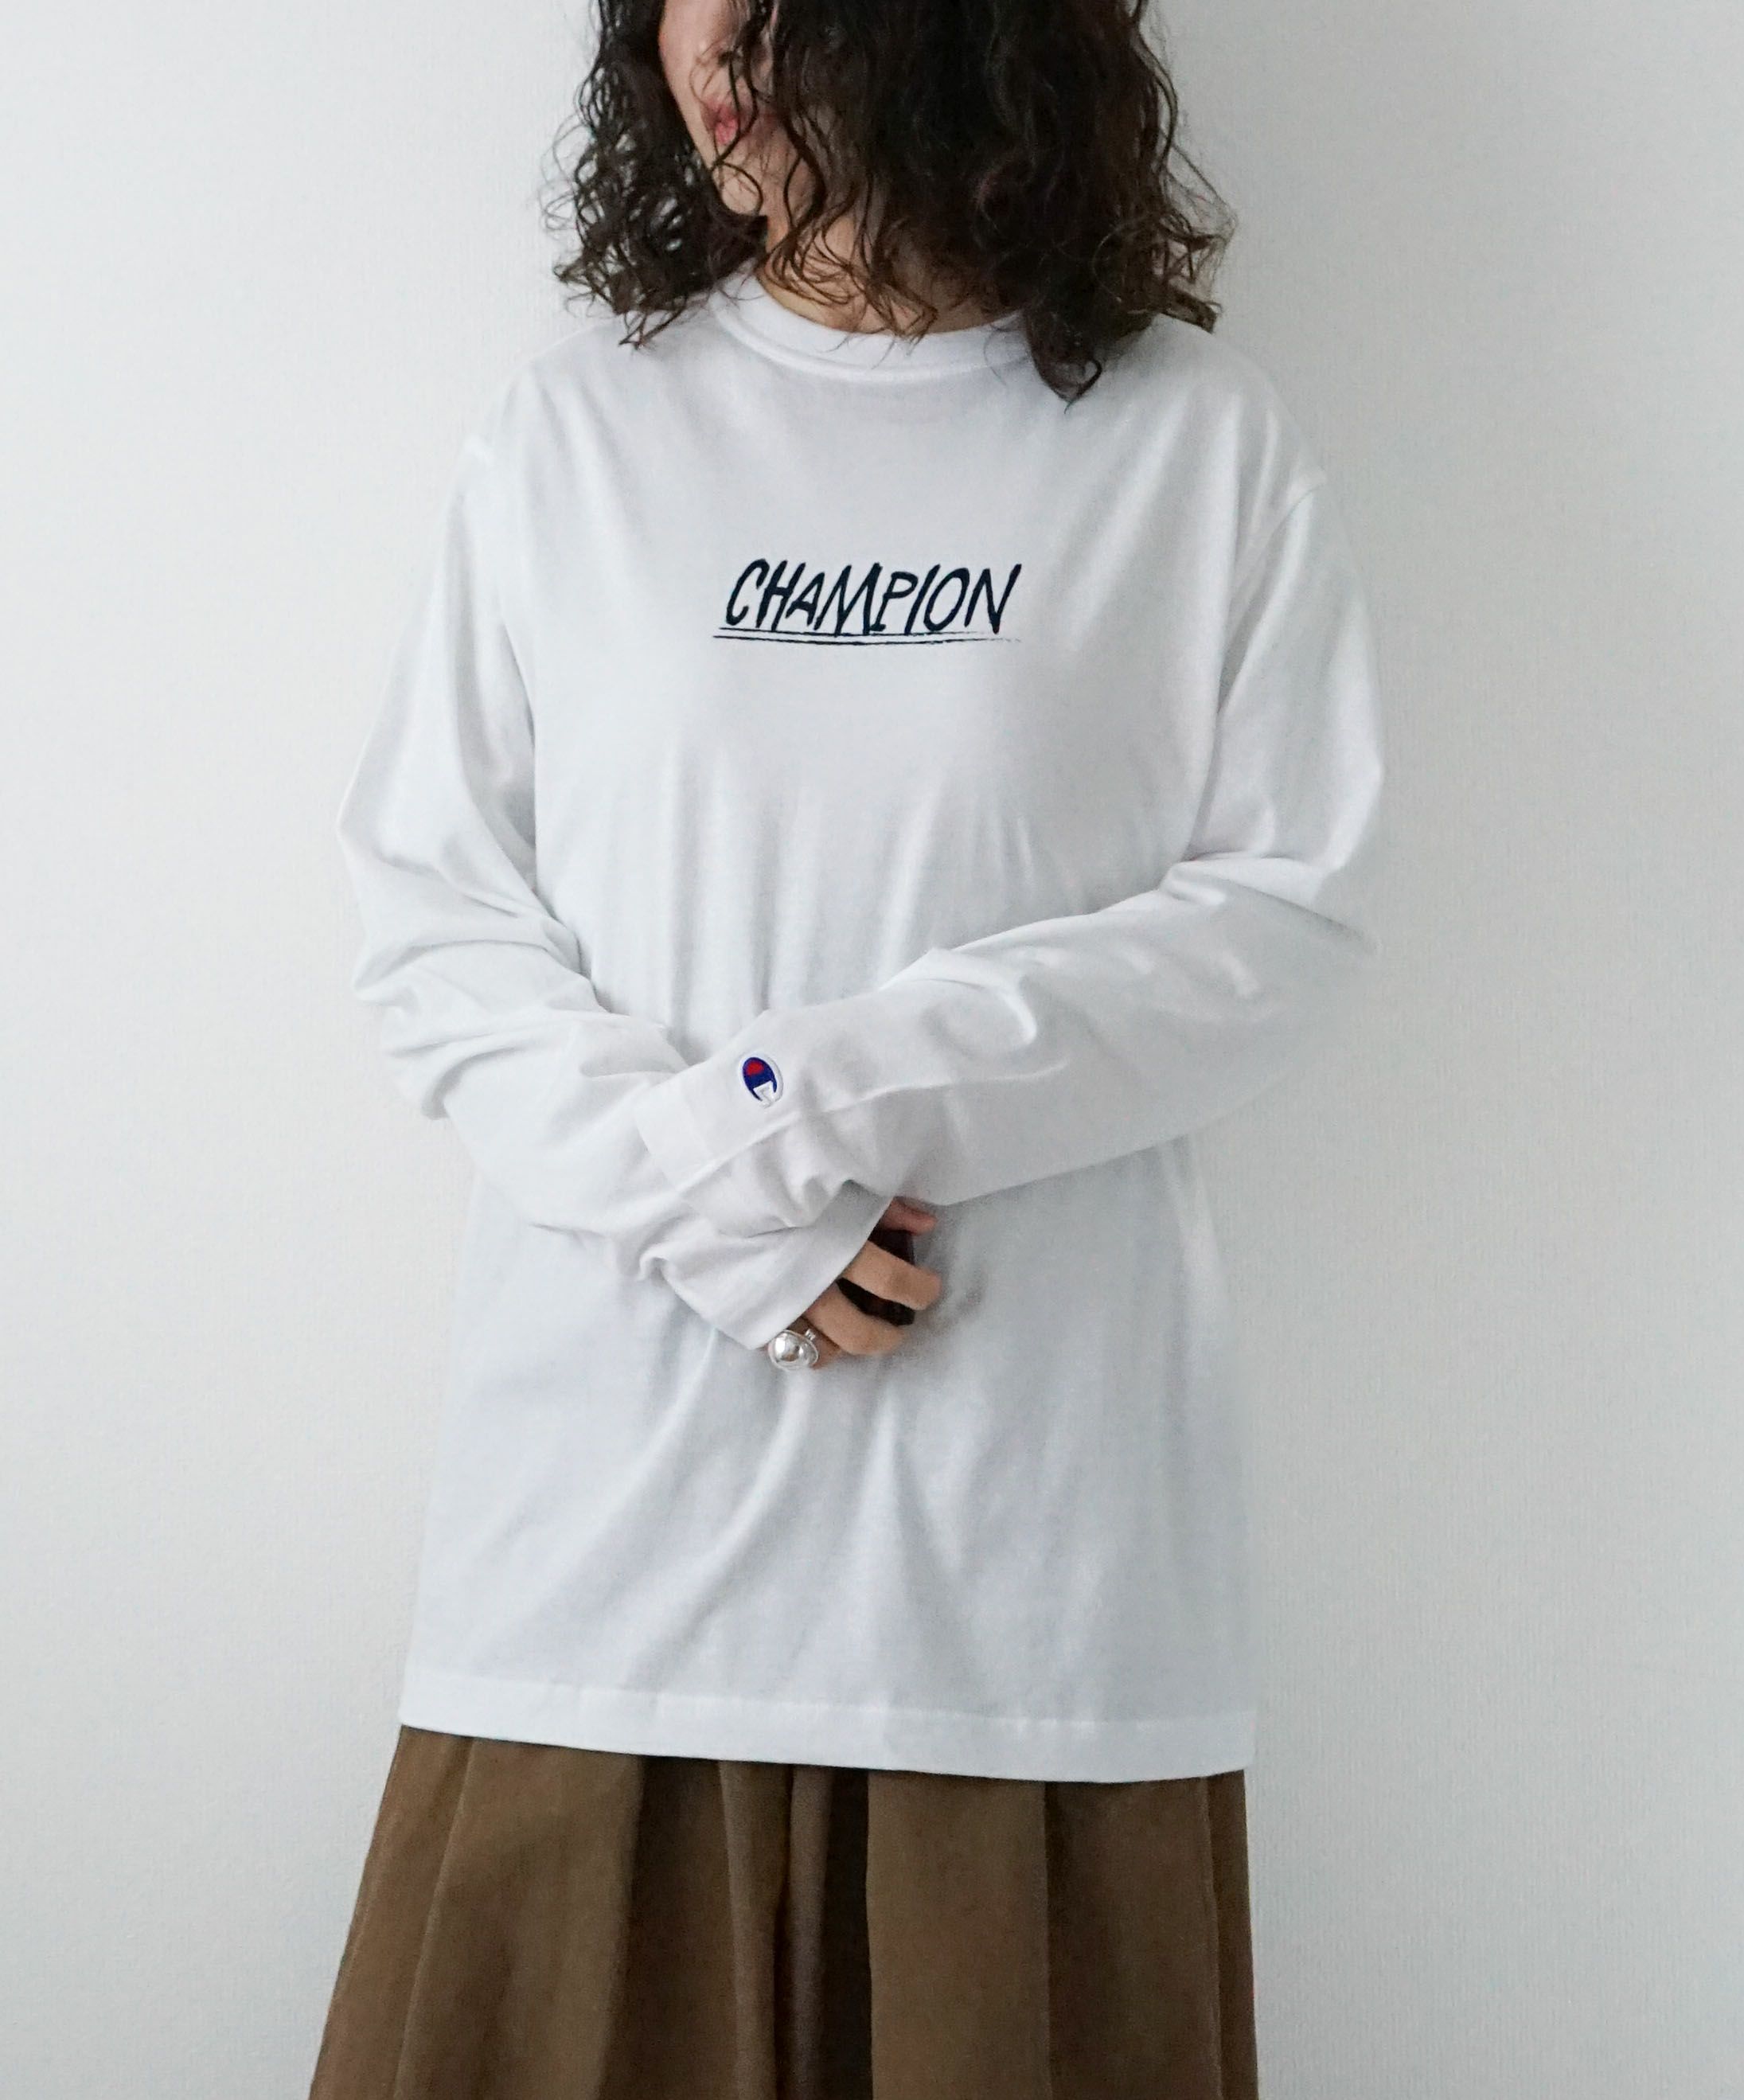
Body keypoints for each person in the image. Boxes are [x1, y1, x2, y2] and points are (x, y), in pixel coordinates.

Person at [306, 0, 1383, 2093]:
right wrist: (732, 1204)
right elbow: (436, 924)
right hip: (603, 1557)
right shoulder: (576, 435)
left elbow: (1285, 918)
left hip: (1023, 1579)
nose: (710, 34)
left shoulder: (1192, 443)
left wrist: (807, 1106)